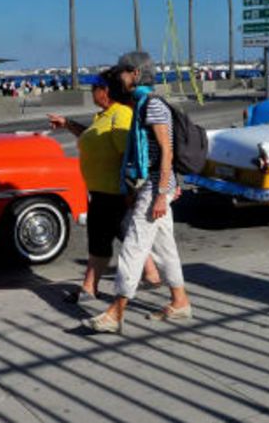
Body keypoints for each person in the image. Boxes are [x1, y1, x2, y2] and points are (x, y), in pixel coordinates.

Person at [83, 52, 192, 334]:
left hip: (155, 187)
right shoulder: (143, 103)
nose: (118, 78)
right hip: (153, 186)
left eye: (121, 73)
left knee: (133, 245)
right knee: (165, 247)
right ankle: (180, 302)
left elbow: (166, 151)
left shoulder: (152, 105)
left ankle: (115, 312)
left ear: (133, 73)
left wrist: (159, 193)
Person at [48, 70, 161, 303]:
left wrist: (130, 191)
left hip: (113, 192)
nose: (91, 93)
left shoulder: (120, 115)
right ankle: (151, 274)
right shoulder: (104, 116)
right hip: (102, 191)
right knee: (124, 234)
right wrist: (67, 123)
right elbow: (92, 136)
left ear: (106, 91)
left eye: (94, 88)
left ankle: (89, 289)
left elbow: (128, 156)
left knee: (100, 241)